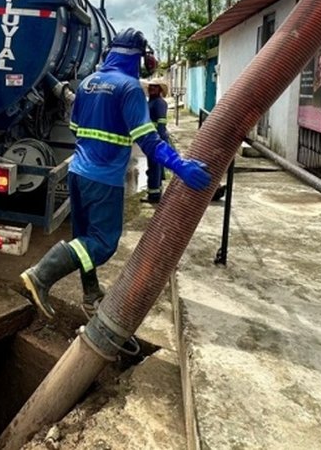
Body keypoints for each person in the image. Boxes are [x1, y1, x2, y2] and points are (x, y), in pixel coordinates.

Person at [21, 29, 211, 318]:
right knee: (103, 243)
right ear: (138, 58)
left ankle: (90, 293)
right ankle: (41, 276)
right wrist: (180, 166)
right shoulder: (129, 88)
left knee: (84, 238)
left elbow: (75, 128)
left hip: (77, 173)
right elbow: (149, 141)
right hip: (103, 179)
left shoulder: (87, 84)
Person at [142, 79, 170, 204]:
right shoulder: (152, 102)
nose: (151, 88)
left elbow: (161, 123)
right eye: (150, 86)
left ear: (160, 89)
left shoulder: (159, 103)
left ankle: (153, 196)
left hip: (156, 140)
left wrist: (159, 140)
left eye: (155, 87)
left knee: (154, 168)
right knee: (155, 167)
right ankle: (156, 192)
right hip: (152, 139)